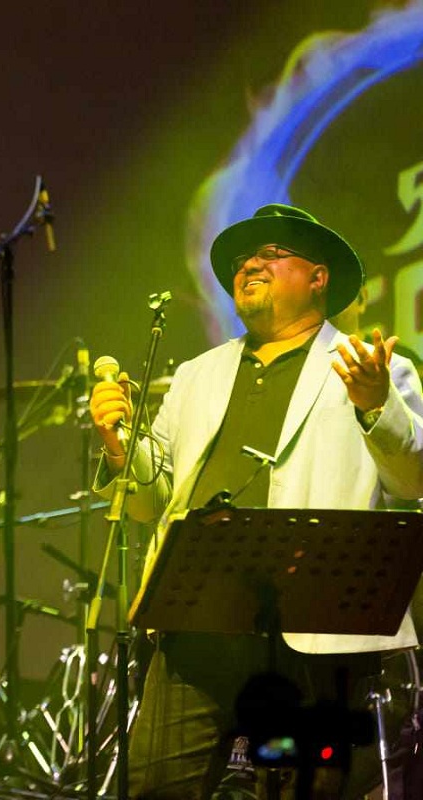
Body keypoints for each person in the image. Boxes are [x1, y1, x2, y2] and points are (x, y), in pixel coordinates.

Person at [90, 204, 423, 798]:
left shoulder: (379, 370)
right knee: (157, 785)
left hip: (316, 634)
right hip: (198, 619)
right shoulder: (196, 375)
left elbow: (413, 480)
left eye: (271, 253)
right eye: (243, 258)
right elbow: (150, 501)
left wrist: (377, 405)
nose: (250, 265)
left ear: (318, 277)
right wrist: (119, 448)